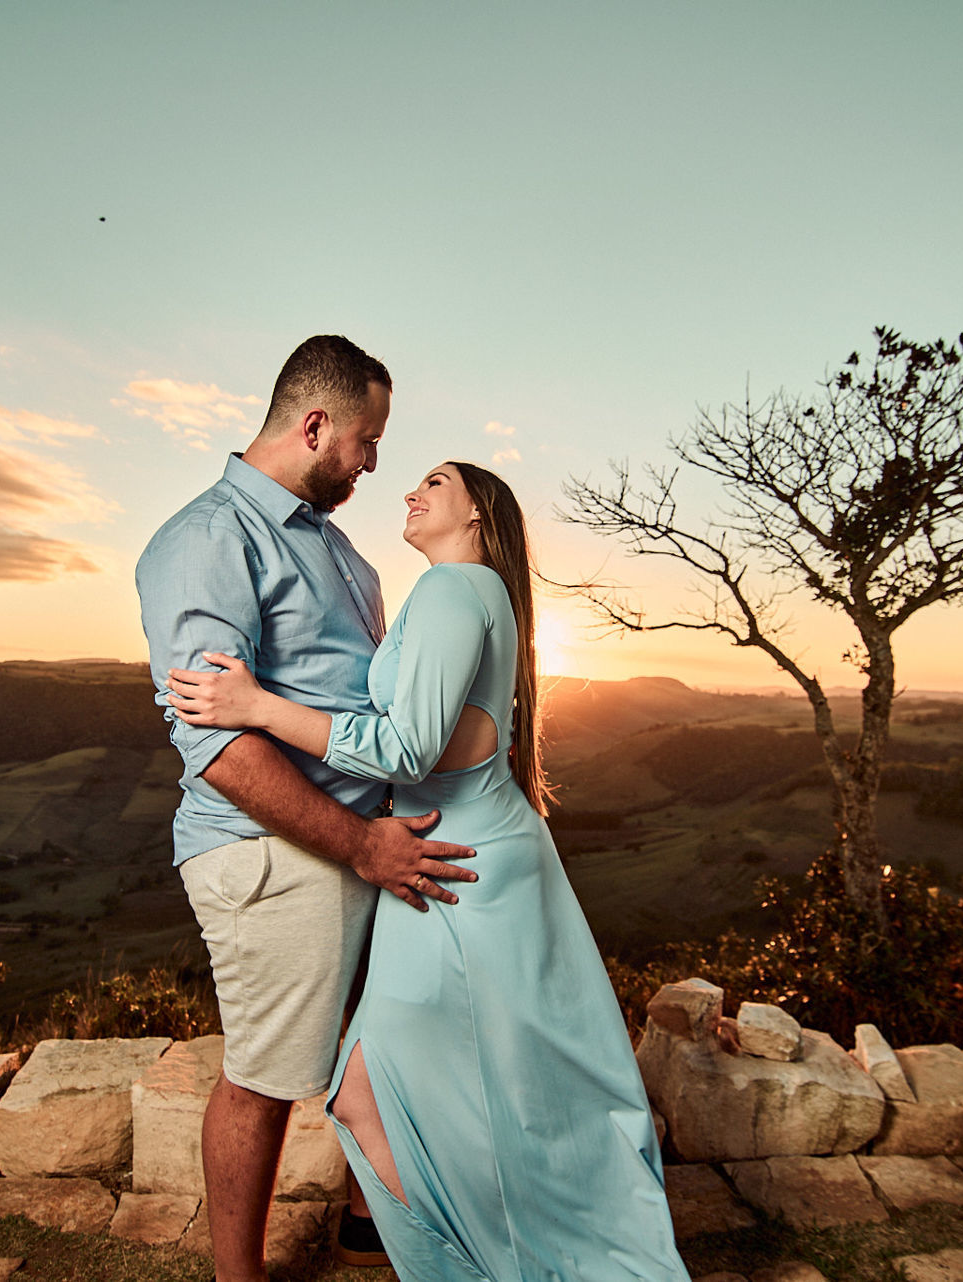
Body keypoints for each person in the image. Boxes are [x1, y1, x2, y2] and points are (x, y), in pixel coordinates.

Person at [167, 460, 690, 1281]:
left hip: (453, 867)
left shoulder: (454, 589)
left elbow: (408, 748)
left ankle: (479, 1259)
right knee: (446, 1084)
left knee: (371, 1089)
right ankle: (464, 1247)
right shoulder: (474, 592)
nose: (410, 491)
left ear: (478, 515)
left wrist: (257, 706)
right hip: (453, 857)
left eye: (435, 484)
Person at [135, 335, 478, 1282]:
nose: (374, 464)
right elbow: (218, 746)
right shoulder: (208, 540)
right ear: (317, 425)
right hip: (276, 849)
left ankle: (369, 1225)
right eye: (368, 442)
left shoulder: (336, 548)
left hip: (365, 842)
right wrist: (359, 843)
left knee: (379, 1043)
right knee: (267, 1077)